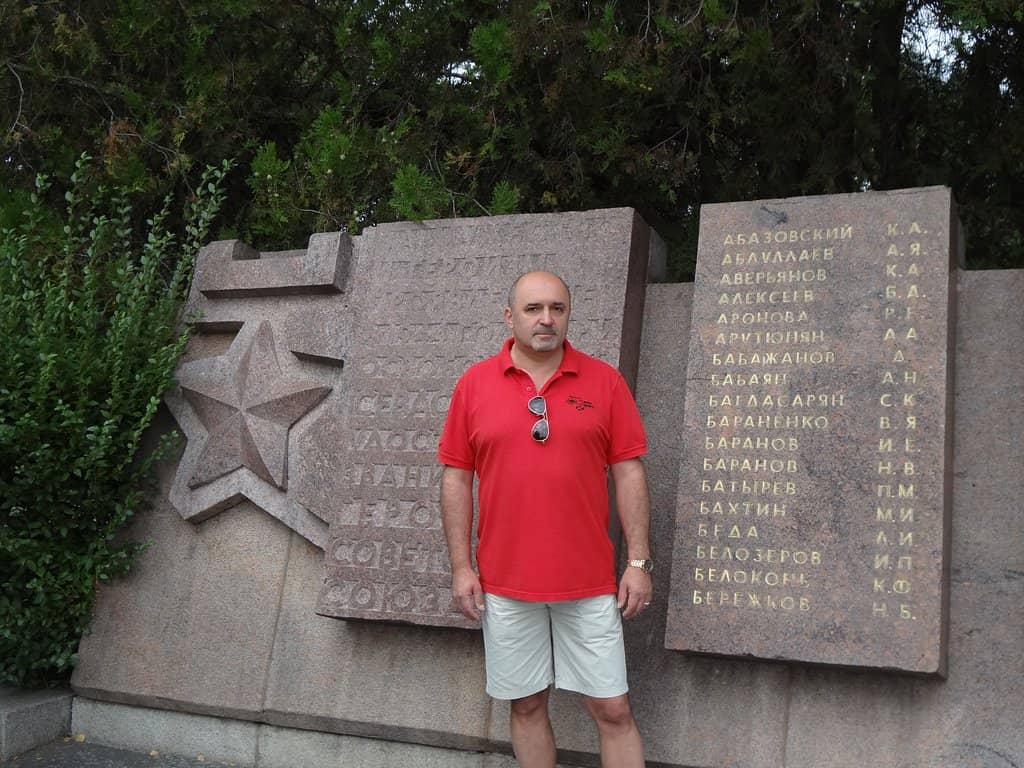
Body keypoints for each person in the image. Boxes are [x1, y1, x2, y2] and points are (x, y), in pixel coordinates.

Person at [438, 270, 653, 768]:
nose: (546, 319)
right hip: (505, 584)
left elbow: (629, 474)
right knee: (528, 703)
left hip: (590, 584)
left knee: (613, 709)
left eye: (557, 308)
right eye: (534, 309)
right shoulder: (474, 385)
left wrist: (639, 561)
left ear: (568, 315)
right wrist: (460, 567)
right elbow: (455, 480)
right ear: (509, 316)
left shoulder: (604, 381)